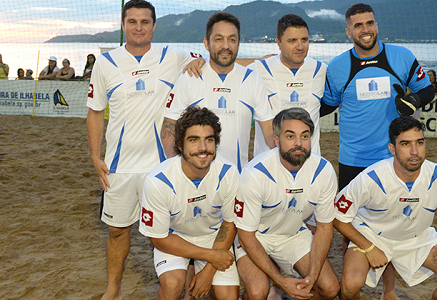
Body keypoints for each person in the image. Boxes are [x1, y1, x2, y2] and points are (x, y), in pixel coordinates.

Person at [86, 1, 203, 299]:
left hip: (162, 166)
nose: (139, 27)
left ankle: (185, 286)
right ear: (123, 24)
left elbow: (207, 60)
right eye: (133, 21)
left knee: (173, 233)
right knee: (117, 231)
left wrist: (197, 61)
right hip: (119, 167)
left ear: (154, 25)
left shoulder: (171, 56)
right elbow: (95, 112)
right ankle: (113, 289)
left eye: (145, 22)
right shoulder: (105, 62)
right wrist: (95, 156)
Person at [320, 4, 434, 298]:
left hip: (391, 160)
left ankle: (388, 290)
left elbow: (427, 90)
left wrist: (413, 101)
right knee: (348, 226)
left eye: (369, 23)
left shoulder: (401, 56)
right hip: (352, 160)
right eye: (357, 25)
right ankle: (352, 285)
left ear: (377, 25)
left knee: (392, 227)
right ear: (348, 31)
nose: (365, 29)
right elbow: (326, 105)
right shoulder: (337, 67)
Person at [333, 116, 437, 300]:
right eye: (405, 144)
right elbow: (338, 217)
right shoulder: (371, 178)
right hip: (373, 235)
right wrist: (369, 247)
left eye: (419, 143)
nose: (414, 151)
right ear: (392, 149)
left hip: (417, 238)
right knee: (350, 285)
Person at [234, 107, 340, 300]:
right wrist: (281, 281)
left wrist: (312, 278)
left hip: (292, 235)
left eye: (304, 136)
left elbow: (324, 228)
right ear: (276, 140)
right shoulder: (255, 174)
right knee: (258, 292)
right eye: (290, 136)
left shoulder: (324, 171)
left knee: (329, 288)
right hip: (256, 236)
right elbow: (246, 236)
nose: (298, 143)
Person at [139, 106, 239, 300]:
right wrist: (209, 256)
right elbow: (158, 238)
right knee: (172, 284)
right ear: (180, 144)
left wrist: (208, 271)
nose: (202, 148)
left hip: (213, 235)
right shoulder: (158, 181)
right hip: (175, 237)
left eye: (209, 140)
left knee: (228, 296)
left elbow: (229, 223)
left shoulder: (228, 172)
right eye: (194, 140)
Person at [163, 12, 275, 172]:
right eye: (218, 39)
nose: (226, 46)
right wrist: (178, 169)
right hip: (197, 178)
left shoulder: (252, 79)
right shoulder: (190, 76)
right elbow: (169, 127)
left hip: (238, 179)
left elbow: (270, 131)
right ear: (206, 43)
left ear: (238, 44)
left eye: (232, 39)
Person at [247, 14, 327, 157]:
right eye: (292, 41)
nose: (300, 46)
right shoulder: (260, 69)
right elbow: (228, 68)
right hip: (269, 164)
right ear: (278, 43)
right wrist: (201, 62)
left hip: (309, 164)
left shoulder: (321, 70)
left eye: (304, 40)